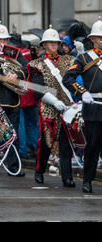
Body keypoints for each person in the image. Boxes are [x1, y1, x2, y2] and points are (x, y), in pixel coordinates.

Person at [27, 26, 76, 187]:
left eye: (56, 42)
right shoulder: (37, 64)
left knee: (65, 141)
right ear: (44, 44)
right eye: (50, 42)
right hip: (48, 107)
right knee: (46, 142)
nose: (54, 45)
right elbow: (38, 89)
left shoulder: (69, 60)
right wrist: (54, 101)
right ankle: (40, 170)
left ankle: (67, 176)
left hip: (67, 107)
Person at [62, 17, 102, 193]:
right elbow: (68, 78)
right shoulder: (85, 58)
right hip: (93, 108)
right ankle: (87, 180)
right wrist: (82, 91)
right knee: (92, 146)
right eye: (99, 37)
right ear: (92, 39)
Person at [0, 21, 29, 176]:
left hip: (12, 99)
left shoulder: (14, 53)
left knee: (13, 135)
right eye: (0, 40)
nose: (3, 42)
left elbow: (26, 67)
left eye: (5, 40)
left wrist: (16, 74)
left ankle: (14, 166)